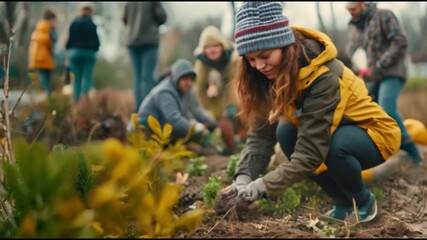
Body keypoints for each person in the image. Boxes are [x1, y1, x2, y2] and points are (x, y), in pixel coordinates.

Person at [214, 1, 402, 223]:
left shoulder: (323, 76)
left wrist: (263, 186)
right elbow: (261, 136)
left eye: (265, 55)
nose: (259, 65)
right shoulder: (266, 77)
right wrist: (244, 179)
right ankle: (341, 201)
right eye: (251, 59)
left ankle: (363, 202)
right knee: (285, 132)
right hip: (331, 133)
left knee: (334, 146)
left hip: (374, 134)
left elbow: (311, 152)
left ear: (284, 45)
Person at [345, 2, 423, 165]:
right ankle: (383, 151)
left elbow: (400, 42)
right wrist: (353, 66)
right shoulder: (353, 26)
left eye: (353, 6)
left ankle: (412, 152)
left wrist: (379, 64)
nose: (349, 9)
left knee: (387, 108)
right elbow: (350, 51)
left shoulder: (384, 15)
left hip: (392, 72)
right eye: (347, 6)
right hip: (371, 77)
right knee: (371, 112)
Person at [129, 58, 217, 144]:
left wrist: (214, 125)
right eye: (185, 79)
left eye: (191, 79)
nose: (189, 83)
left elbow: (196, 110)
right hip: (144, 131)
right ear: (176, 78)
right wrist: (195, 129)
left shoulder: (187, 90)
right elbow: (174, 120)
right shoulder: (165, 92)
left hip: (161, 129)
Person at [193, 25, 246, 155]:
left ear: (222, 46)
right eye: (208, 47)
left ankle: (244, 142)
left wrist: (233, 105)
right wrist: (207, 110)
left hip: (238, 99)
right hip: (216, 102)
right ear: (203, 50)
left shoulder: (235, 58)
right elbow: (199, 88)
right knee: (223, 125)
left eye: (215, 46)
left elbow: (238, 84)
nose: (212, 50)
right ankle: (232, 149)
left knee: (242, 122)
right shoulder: (201, 64)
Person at [122, 2, 167, 112]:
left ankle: (139, 110)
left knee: (137, 78)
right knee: (147, 77)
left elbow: (124, 18)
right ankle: (148, 111)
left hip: (132, 41)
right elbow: (162, 17)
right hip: (149, 41)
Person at [66, 2, 100, 104]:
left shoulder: (74, 23)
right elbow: (97, 43)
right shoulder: (92, 24)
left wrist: (69, 51)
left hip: (75, 53)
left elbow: (69, 41)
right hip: (89, 54)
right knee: (87, 78)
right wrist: (94, 49)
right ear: (90, 12)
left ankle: (75, 103)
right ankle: (85, 102)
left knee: (77, 79)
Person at [28, 8, 58, 96]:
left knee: (38, 85)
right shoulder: (48, 30)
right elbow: (53, 41)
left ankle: (40, 104)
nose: (55, 23)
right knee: (45, 85)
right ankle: (46, 104)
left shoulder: (37, 30)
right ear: (51, 19)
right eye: (54, 20)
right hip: (43, 61)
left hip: (35, 61)